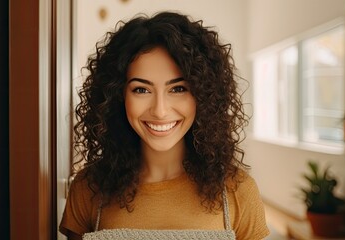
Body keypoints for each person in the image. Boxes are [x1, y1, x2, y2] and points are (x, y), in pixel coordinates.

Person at [59, 11, 270, 240]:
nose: (160, 110)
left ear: (203, 96)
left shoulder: (238, 191)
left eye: (178, 89)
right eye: (141, 89)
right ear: (118, 96)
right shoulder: (89, 188)